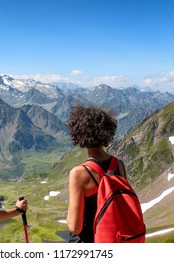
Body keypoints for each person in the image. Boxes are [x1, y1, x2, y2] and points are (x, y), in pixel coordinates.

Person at [66, 104, 126, 243]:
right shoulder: (119, 165)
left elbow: (75, 227)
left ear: (79, 134)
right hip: (114, 238)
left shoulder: (79, 173)